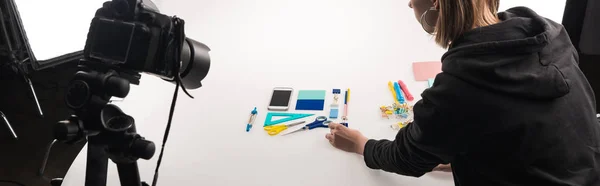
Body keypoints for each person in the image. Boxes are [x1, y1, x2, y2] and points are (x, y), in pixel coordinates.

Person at [325, 0, 600, 185]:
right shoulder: (550, 34)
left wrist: (361, 144)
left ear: (434, 4)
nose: (409, 3)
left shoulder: (460, 87)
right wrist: (464, 146)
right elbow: (528, 123)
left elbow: (407, 156)